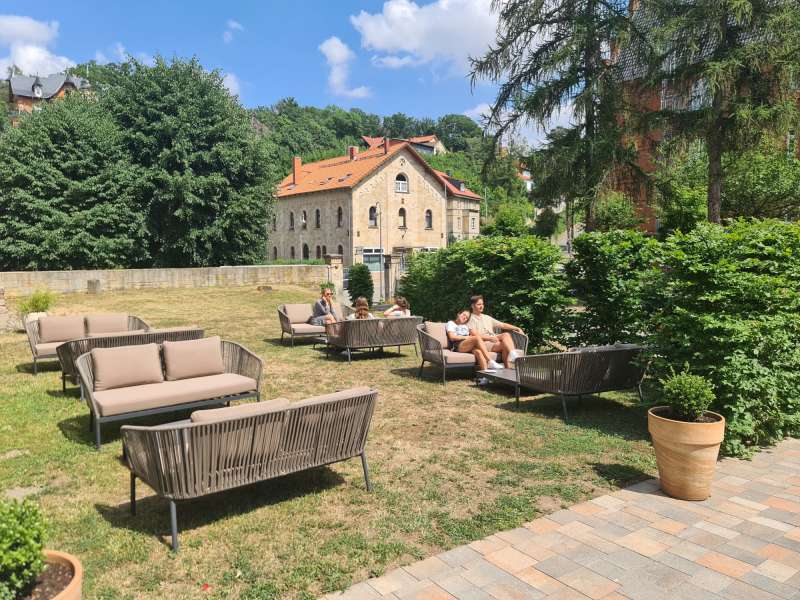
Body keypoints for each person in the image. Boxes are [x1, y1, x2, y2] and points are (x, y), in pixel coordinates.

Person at [467, 295, 524, 369]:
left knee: (505, 339)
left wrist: (517, 328)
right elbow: (475, 335)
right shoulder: (470, 319)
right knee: (505, 340)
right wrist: (490, 338)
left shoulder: (486, 317)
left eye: (482, 304)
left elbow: (502, 325)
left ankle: (508, 365)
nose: (482, 306)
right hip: (483, 343)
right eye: (479, 304)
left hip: (493, 341)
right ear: (472, 306)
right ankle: (512, 357)